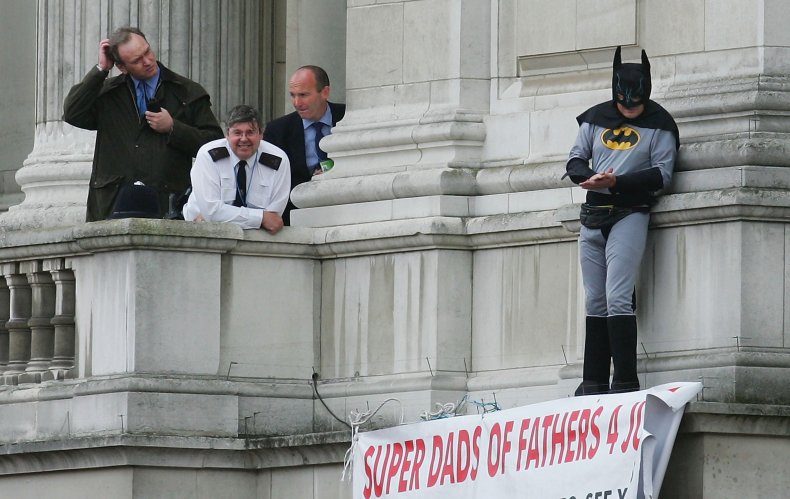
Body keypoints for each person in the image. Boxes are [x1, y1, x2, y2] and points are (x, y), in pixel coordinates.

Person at [564, 46, 680, 395]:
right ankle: (594, 380)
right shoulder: (594, 119)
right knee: (594, 299)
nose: (629, 110)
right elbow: (574, 161)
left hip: (630, 212)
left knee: (617, 295)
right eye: (623, 104)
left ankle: (625, 379)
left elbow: (662, 175)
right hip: (593, 212)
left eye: (635, 104)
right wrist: (589, 177)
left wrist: (617, 182)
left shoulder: (659, 124)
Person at [63, 26, 223, 222]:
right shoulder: (108, 93)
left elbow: (215, 145)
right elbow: (72, 113)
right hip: (112, 205)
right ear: (122, 67)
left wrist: (174, 128)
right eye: (137, 61)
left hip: (167, 204)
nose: (147, 61)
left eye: (147, 51)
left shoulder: (187, 91)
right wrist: (101, 70)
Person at [182, 105, 291, 234]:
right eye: (237, 133)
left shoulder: (278, 160)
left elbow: (272, 220)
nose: (244, 139)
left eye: (250, 132)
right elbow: (212, 212)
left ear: (261, 134)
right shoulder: (208, 156)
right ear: (227, 134)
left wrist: (220, 217)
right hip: (200, 234)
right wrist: (260, 218)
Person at [263, 65, 345, 225]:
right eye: (293, 95)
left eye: (303, 95)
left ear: (325, 92)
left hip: (345, 203)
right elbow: (271, 180)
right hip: (298, 212)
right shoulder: (278, 130)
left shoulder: (347, 116)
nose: (297, 102)